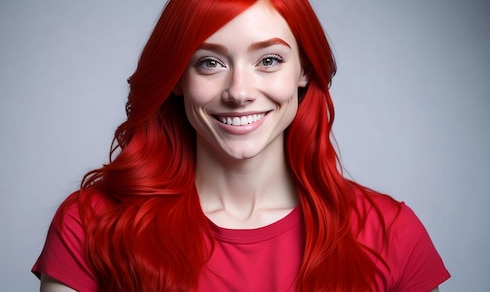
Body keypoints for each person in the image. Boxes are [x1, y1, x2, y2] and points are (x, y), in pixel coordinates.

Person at [32, 0, 450, 291]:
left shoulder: (389, 232)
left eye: (269, 60)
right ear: (177, 79)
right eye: (209, 62)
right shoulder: (92, 224)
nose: (239, 92)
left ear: (303, 71)